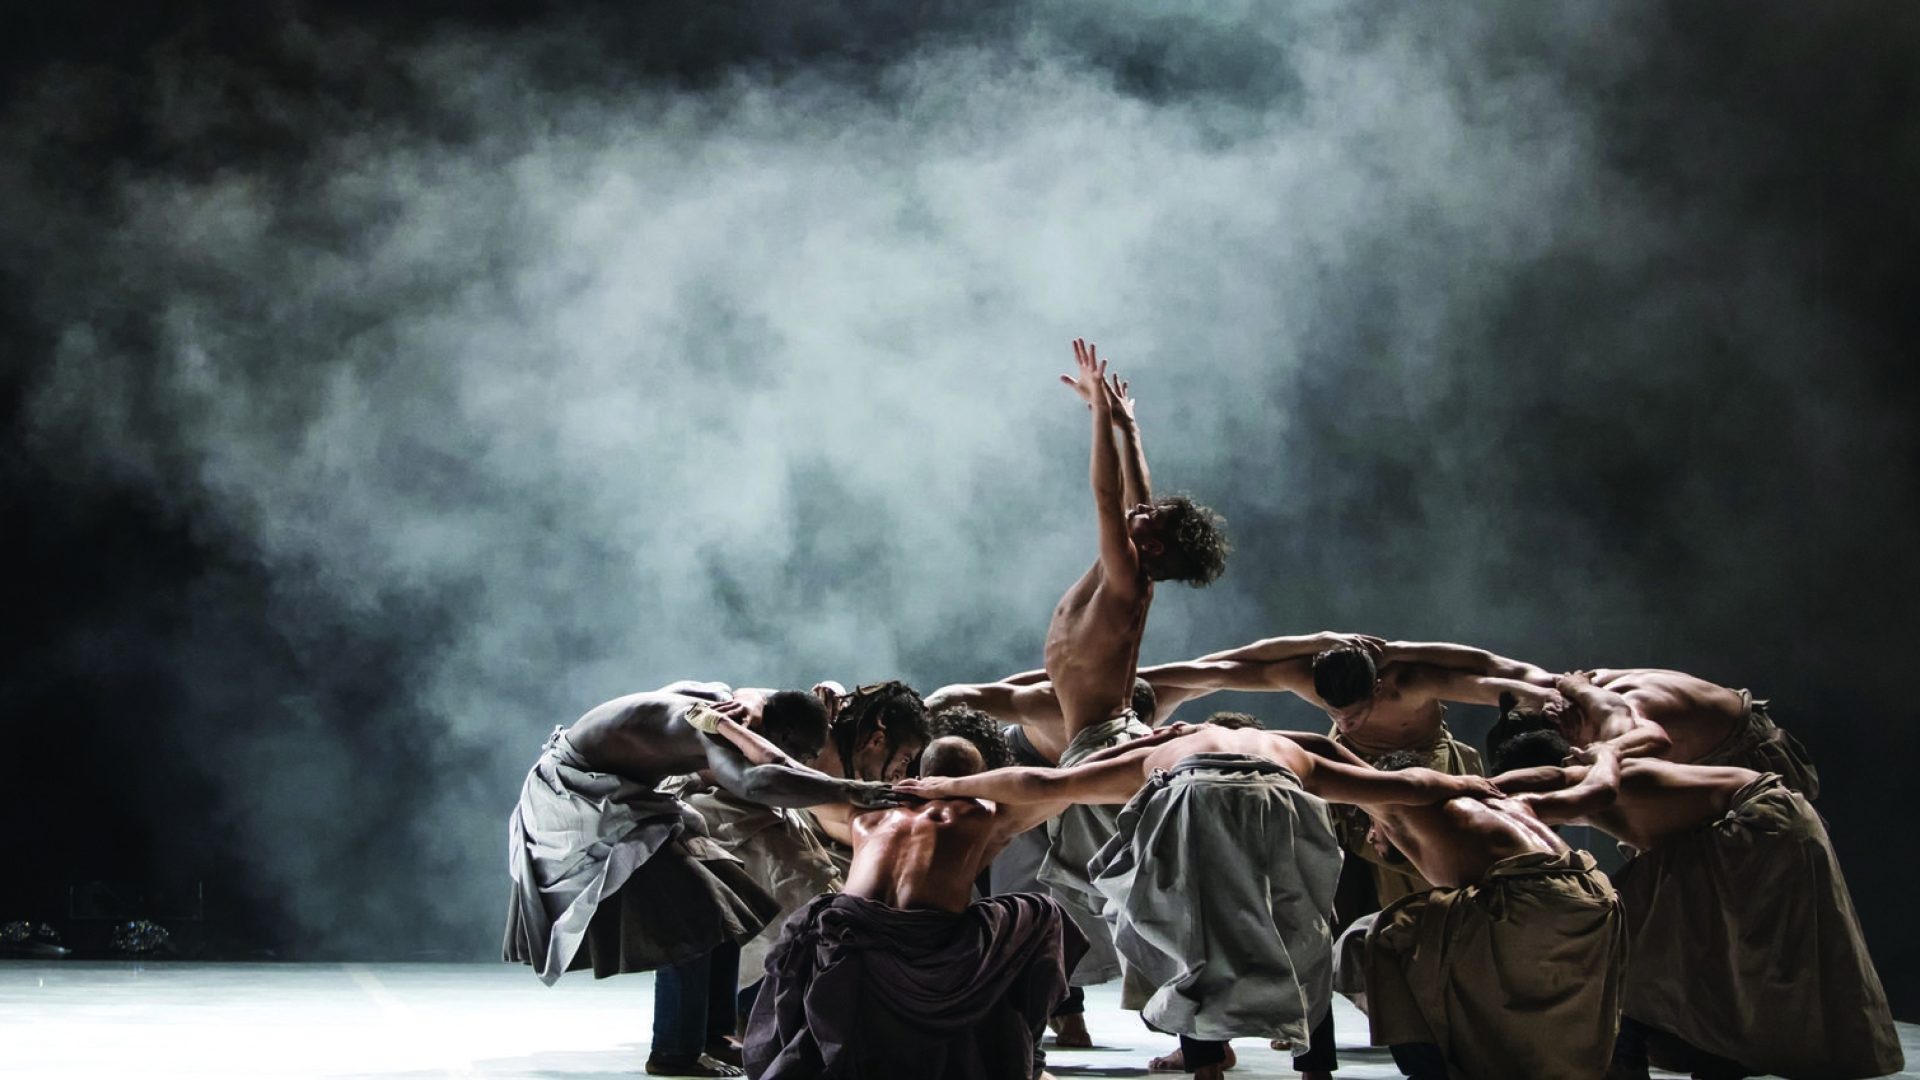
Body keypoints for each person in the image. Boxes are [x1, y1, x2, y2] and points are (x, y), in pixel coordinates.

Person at [898, 722, 1499, 1080]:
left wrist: (948, 785)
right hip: (1277, 795)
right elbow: (1402, 785)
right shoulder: (1285, 747)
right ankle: (1313, 1069)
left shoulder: (1163, 750)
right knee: (1305, 935)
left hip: (1190, 795)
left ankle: (1208, 1064)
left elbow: (1045, 782)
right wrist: (1466, 782)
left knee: (1189, 938)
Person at [1489, 675, 1902, 1080]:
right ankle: (1712, 1052)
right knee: (1691, 939)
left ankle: (1637, 1047)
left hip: (1761, 827)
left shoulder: (1596, 769)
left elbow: (1615, 755)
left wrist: (1587, 716)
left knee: (1619, 926)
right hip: (1758, 828)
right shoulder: (1599, 762)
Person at [503, 681, 900, 1078]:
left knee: (727, 895)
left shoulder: (737, 705)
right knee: (692, 911)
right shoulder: (714, 725)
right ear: (781, 735)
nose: (803, 764)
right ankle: (673, 1052)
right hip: (577, 797)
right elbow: (756, 782)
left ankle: (714, 1035)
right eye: (803, 755)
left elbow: (769, 736)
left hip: (627, 797)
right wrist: (856, 791)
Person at [1038, 338, 1229, 991]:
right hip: (1102, 737)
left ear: (1154, 550)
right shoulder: (1132, 561)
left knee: (1119, 889)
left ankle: (1191, 1005)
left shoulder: (1125, 579)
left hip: (1101, 744)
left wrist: (1097, 416)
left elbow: (1104, 496)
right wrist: (1128, 426)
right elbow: (1131, 496)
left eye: (1149, 522)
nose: (1139, 513)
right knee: (1111, 885)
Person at [1139, 633, 1557, 924]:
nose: (1343, 721)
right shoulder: (1310, 675)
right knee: (1312, 853)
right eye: (1332, 712)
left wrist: (1548, 692)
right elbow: (1225, 667)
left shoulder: (1410, 680)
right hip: (1352, 766)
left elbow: (1490, 670)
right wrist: (1140, 680)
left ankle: (1454, 941)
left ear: (1377, 687)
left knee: (1429, 872)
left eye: (1353, 714)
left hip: (1421, 766)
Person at [741, 735, 1090, 1080]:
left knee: (820, 913)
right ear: (976, 777)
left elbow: (782, 767)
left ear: (923, 772)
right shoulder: (984, 814)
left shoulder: (864, 808)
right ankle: (1028, 1059)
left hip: (850, 940)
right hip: (925, 946)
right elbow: (1064, 785)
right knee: (1041, 913)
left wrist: (722, 723)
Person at [1357, 748, 1626, 1080]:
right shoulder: (1507, 802)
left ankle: (1431, 1071)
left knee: (1369, 936)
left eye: (1369, 821)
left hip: (1529, 904)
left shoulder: (1399, 800)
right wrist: (1606, 753)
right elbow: (1601, 791)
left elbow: (1321, 765)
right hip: (1594, 901)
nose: (1371, 834)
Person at [922, 674, 1160, 1044]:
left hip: (1042, 797)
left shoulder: (1125, 735)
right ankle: (1050, 1021)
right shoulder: (1047, 718)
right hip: (1026, 791)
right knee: (1031, 912)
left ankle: (1061, 1019)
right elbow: (1053, 784)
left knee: (1040, 909)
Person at [1501, 664, 1820, 798]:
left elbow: (1654, 738)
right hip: (1727, 759)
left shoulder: (1613, 716)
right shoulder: (1579, 688)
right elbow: (1486, 668)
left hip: (1750, 761)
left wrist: (1606, 751)